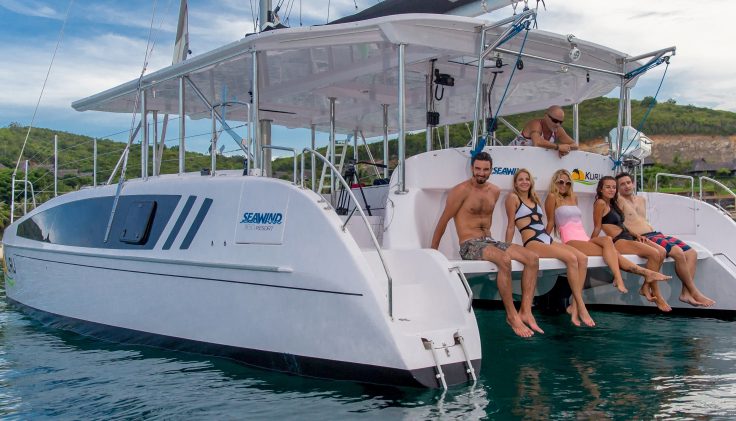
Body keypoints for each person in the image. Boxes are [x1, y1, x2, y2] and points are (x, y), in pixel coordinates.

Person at [431, 152, 543, 338]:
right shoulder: (461, 190)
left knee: (532, 258)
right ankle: (511, 315)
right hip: (470, 244)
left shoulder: (495, 191)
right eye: (477, 169)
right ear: (472, 169)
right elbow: (443, 221)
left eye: (485, 169)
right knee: (504, 259)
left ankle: (525, 311)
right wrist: (432, 253)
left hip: (489, 241)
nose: (481, 173)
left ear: (491, 170)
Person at [544, 169, 670, 294]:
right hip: (571, 241)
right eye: (561, 182)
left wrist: (592, 239)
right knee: (614, 253)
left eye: (568, 183)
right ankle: (631, 276)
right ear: (555, 182)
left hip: (584, 238)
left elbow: (581, 224)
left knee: (608, 241)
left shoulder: (574, 198)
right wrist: (544, 242)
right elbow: (550, 222)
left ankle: (626, 277)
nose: (564, 185)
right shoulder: (552, 197)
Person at [504, 168, 595, 327]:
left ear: (531, 182)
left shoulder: (535, 198)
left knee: (582, 258)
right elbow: (511, 225)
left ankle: (574, 306)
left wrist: (551, 239)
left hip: (546, 238)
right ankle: (581, 306)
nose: (524, 182)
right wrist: (507, 247)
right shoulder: (512, 198)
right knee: (571, 259)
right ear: (515, 183)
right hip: (532, 240)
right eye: (521, 179)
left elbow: (545, 224)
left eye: (527, 179)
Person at [615, 172, 715, 307]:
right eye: (622, 184)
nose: (626, 186)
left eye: (628, 182)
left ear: (633, 183)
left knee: (691, 253)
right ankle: (694, 291)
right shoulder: (619, 201)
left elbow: (641, 220)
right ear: (618, 188)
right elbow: (620, 225)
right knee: (678, 253)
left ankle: (685, 293)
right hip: (641, 238)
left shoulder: (641, 200)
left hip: (656, 234)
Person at [592, 176, 672, 312]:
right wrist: (592, 241)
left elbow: (621, 225)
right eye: (607, 187)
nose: (611, 190)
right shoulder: (600, 203)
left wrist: (636, 235)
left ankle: (645, 286)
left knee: (661, 251)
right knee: (654, 254)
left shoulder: (612, 203)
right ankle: (656, 294)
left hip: (628, 236)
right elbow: (597, 226)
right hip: (618, 241)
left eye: (613, 187)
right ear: (600, 189)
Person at [508, 105, 578, 157]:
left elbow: (575, 145)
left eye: (560, 122)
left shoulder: (558, 130)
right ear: (546, 116)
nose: (557, 124)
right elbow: (537, 142)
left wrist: (566, 149)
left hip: (527, 159)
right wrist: (558, 147)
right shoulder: (535, 124)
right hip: (510, 156)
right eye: (555, 120)